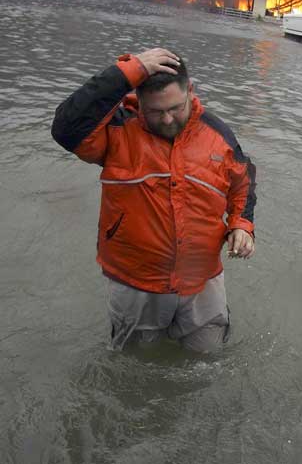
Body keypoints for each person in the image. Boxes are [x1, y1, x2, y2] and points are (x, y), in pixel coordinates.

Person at [51, 48, 256, 352]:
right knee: (135, 367)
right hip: (136, 281)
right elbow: (65, 129)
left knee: (210, 360)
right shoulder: (117, 131)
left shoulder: (218, 136)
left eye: (176, 107)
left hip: (201, 280)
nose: (168, 118)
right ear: (139, 102)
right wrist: (125, 72)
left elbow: (243, 182)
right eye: (156, 111)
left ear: (191, 92)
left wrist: (241, 224)